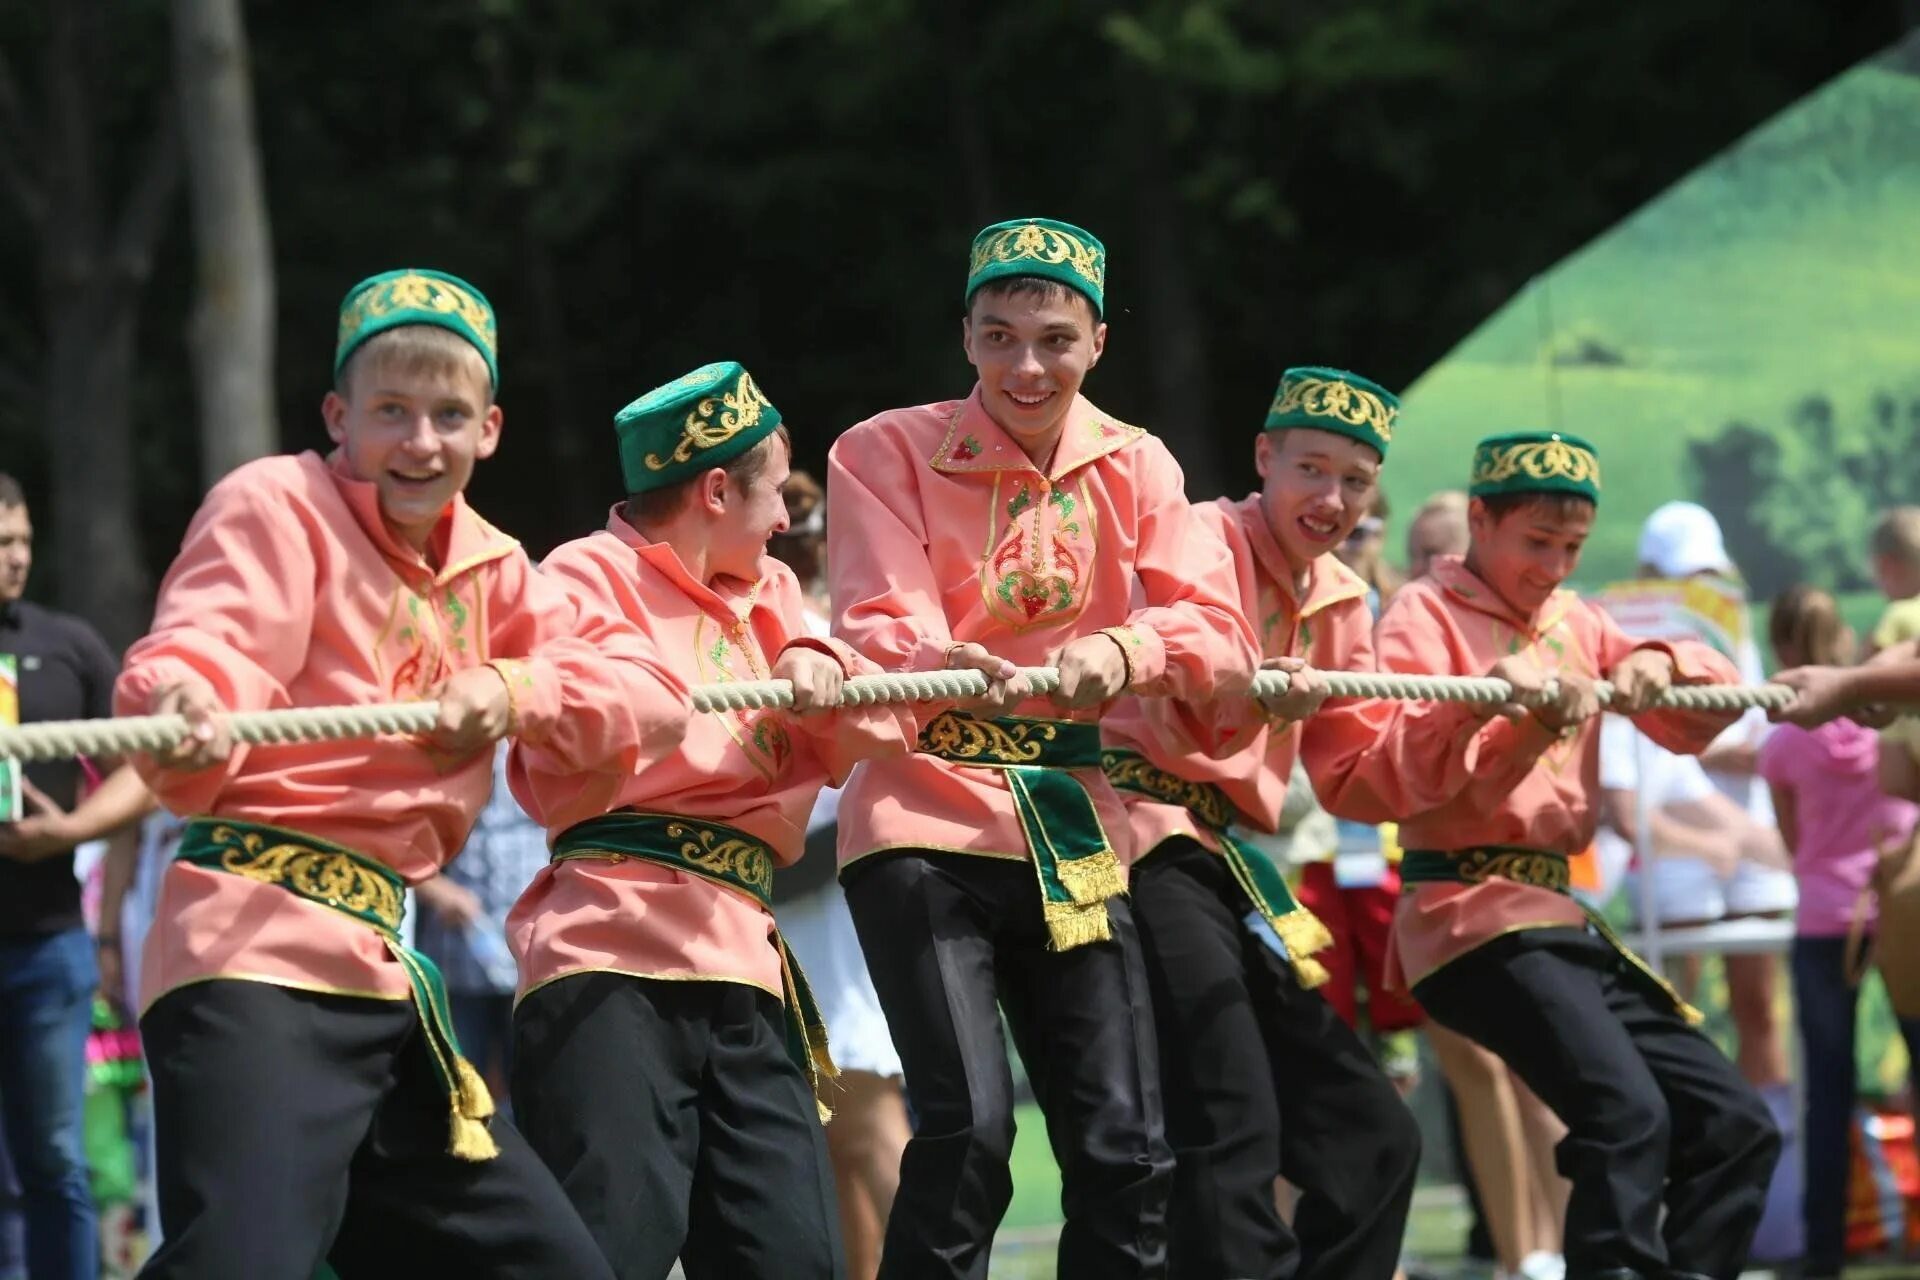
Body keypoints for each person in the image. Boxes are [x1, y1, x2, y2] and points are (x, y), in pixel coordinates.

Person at [116, 268, 688, 1279]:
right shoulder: (277, 505)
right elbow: (210, 642)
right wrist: (183, 703)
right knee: (244, 1262)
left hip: (382, 978)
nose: (420, 441)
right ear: (338, 415)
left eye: (447, 415)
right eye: (390, 411)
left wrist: (518, 688)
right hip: (250, 947)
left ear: (491, 429)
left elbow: (645, 698)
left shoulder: (502, 568)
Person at [827, 216, 1257, 1279]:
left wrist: (1129, 644)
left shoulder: (1141, 462)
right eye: (1000, 335)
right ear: (965, 337)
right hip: (924, 812)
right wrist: (945, 654)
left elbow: (1213, 625)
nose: (1027, 365)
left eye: (1055, 338)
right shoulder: (883, 448)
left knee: (1128, 1145)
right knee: (968, 1127)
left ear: (1099, 342)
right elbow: (881, 617)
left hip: (1069, 819)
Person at [1312, 431, 1781, 1280]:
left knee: (1735, 1124)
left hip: (1560, 921)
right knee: (1626, 1114)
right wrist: (1515, 713)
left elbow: (1701, 705)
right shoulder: (1426, 612)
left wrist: (1658, 660)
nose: (1554, 566)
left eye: (1571, 548)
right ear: (1480, 522)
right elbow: (1397, 778)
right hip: (1466, 916)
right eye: (1537, 542)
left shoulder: (1577, 620)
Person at [507, 364, 915, 1280]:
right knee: (612, 1247)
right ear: (717, 488)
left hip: (743, 960)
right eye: (773, 494)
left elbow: (877, 715)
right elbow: (573, 705)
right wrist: (669, 696)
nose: (783, 523)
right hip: (610, 948)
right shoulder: (579, 577)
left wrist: (821, 654)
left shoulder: (771, 595)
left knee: (789, 1255)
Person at [1099, 366, 1421, 1279]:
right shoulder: (1197, 537)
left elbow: (1362, 778)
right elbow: (1178, 671)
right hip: (1136, 837)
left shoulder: (1343, 603)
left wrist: (1487, 724)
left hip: (1220, 862)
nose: (1331, 500)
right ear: (1263, 458)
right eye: (1311, 470)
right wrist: (1253, 684)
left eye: (1354, 483)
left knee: (1376, 1139)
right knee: (1229, 1125)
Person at [0, 473, 155, 1280]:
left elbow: (145, 775)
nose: (16, 558)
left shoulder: (67, 645)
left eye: (22, 540)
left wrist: (70, 830)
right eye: (1, 545)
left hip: (47, 950)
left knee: (55, 1159)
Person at [769, 470, 910, 1280]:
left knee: (865, 1116)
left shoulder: (829, 635)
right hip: (776, 907)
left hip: (826, 908)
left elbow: (856, 798)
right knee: (832, 1147)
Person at [1756, 585, 1920, 1279]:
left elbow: (1795, 842)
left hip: (1826, 918)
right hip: (1903, 909)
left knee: (1828, 1089)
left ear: (1785, 651)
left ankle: (1823, 1253)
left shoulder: (1786, 743)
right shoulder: (1884, 722)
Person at [412, 741, 550, 1107]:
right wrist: (440, 892)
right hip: (458, 958)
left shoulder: (546, 747)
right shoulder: (445, 753)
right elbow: (402, 847)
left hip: (532, 958)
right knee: (454, 1090)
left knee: (532, 1091)